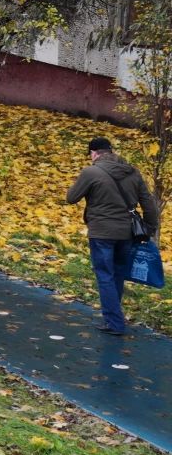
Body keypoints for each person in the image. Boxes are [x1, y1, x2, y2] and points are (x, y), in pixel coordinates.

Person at [62, 138, 161, 335]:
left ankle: (114, 322)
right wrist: (149, 228)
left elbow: (71, 198)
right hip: (127, 233)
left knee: (105, 275)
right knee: (117, 273)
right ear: (110, 151)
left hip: (101, 232)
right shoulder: (132, 172)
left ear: (94, 153)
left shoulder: (91, 172)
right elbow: (149, 204)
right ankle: (113, 318)